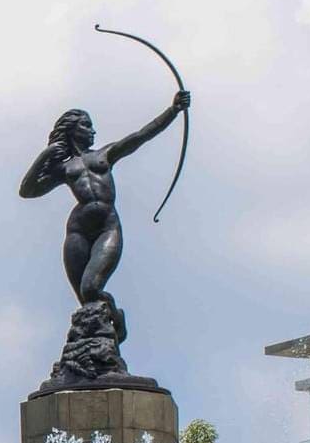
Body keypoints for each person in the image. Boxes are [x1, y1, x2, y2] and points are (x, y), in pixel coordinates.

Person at [19, 91, 191, 306]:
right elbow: (27, 191)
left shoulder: (104, 154)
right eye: (86, 125)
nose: (93, 131)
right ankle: (99, 323)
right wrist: (46, 154)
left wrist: (173, 110)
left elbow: (140, 136)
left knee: (91, 288)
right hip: (78, 229)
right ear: (73, 130)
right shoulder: (63, 168)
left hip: (106, 226)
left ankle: (117, 318)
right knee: (85, 301)